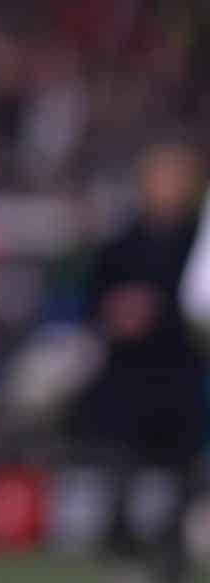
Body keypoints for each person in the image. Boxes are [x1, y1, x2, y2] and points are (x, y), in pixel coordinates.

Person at [85, 136, 204, 581]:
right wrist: (116, 312)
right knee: (119, 454)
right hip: (128, 369)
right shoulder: (121, 242)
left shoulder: (197, 243)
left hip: (181, 367)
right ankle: (120, 539)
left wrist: (160, 311)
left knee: (183, 465)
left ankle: (171, 545)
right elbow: (95, 297)